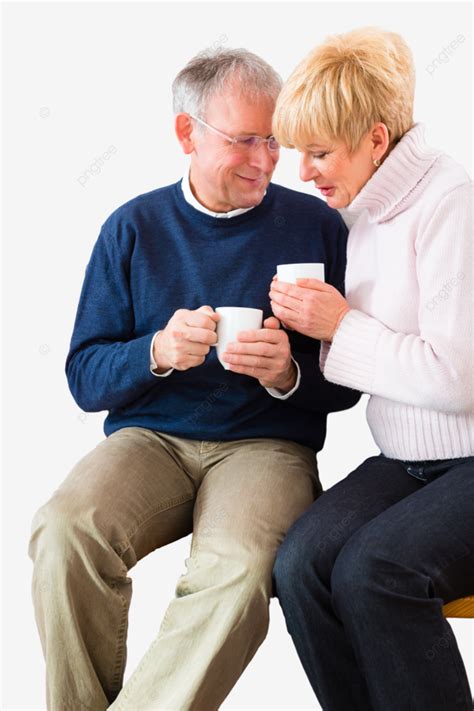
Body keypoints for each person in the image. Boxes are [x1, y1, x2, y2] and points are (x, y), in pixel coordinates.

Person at [27, 47, 360, 711]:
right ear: (188, 134)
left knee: (237, 573)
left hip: (266, 444)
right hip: (151, 438)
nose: (267, 160)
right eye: (244, 141)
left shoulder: (320, 226)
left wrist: (288, 372)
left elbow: (351, 378)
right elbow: (85, 377)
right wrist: (155, 350)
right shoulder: (133, 227)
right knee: (63, 531)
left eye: (274, 139)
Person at [270, 26, 474, 711]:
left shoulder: (452, 201)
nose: (304, 171)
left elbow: (454, 377)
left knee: (373, 571)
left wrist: (340, 327)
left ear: (377, 141)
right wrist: (291, 354)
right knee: (299, 565)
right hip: (409, 460)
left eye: (320, 152)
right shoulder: (364, 217)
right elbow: (369, 370)